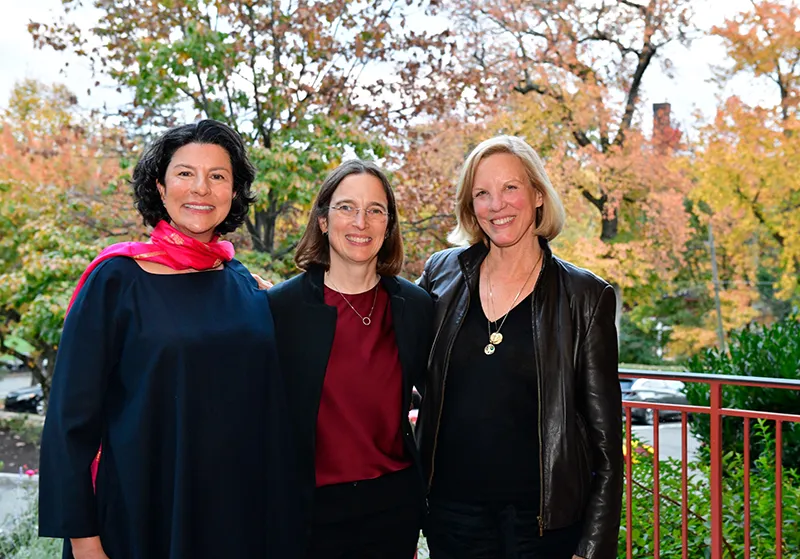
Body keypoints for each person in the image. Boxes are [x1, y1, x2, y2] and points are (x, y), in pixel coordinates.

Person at [39, 120, 298, 559]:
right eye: (185, 173)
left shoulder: (245, 285)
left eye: (218, 176)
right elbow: (69, 422)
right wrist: (84, 542)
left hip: (236, 520)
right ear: (160, 187)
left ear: (234, 192)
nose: (201, 188)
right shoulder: (116, 279)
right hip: (140, 518)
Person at [416, 135, 623, 559]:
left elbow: (606, 443)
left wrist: (593, 546)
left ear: (539, 195)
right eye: (482, 193)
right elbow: (385, 337)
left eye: (510, 187)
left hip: (543, 526)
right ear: (470, 207)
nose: (498, 205)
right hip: (451, 517)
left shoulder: (585, 296)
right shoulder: (441, 274)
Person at [267, 159, 433, 559]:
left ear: (388, 225)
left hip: (393, 506)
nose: (361, 222)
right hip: (309, 513)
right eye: (346, 207)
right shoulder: (280, 308)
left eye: (375, 210)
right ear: (323, 220)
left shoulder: (416, 306)